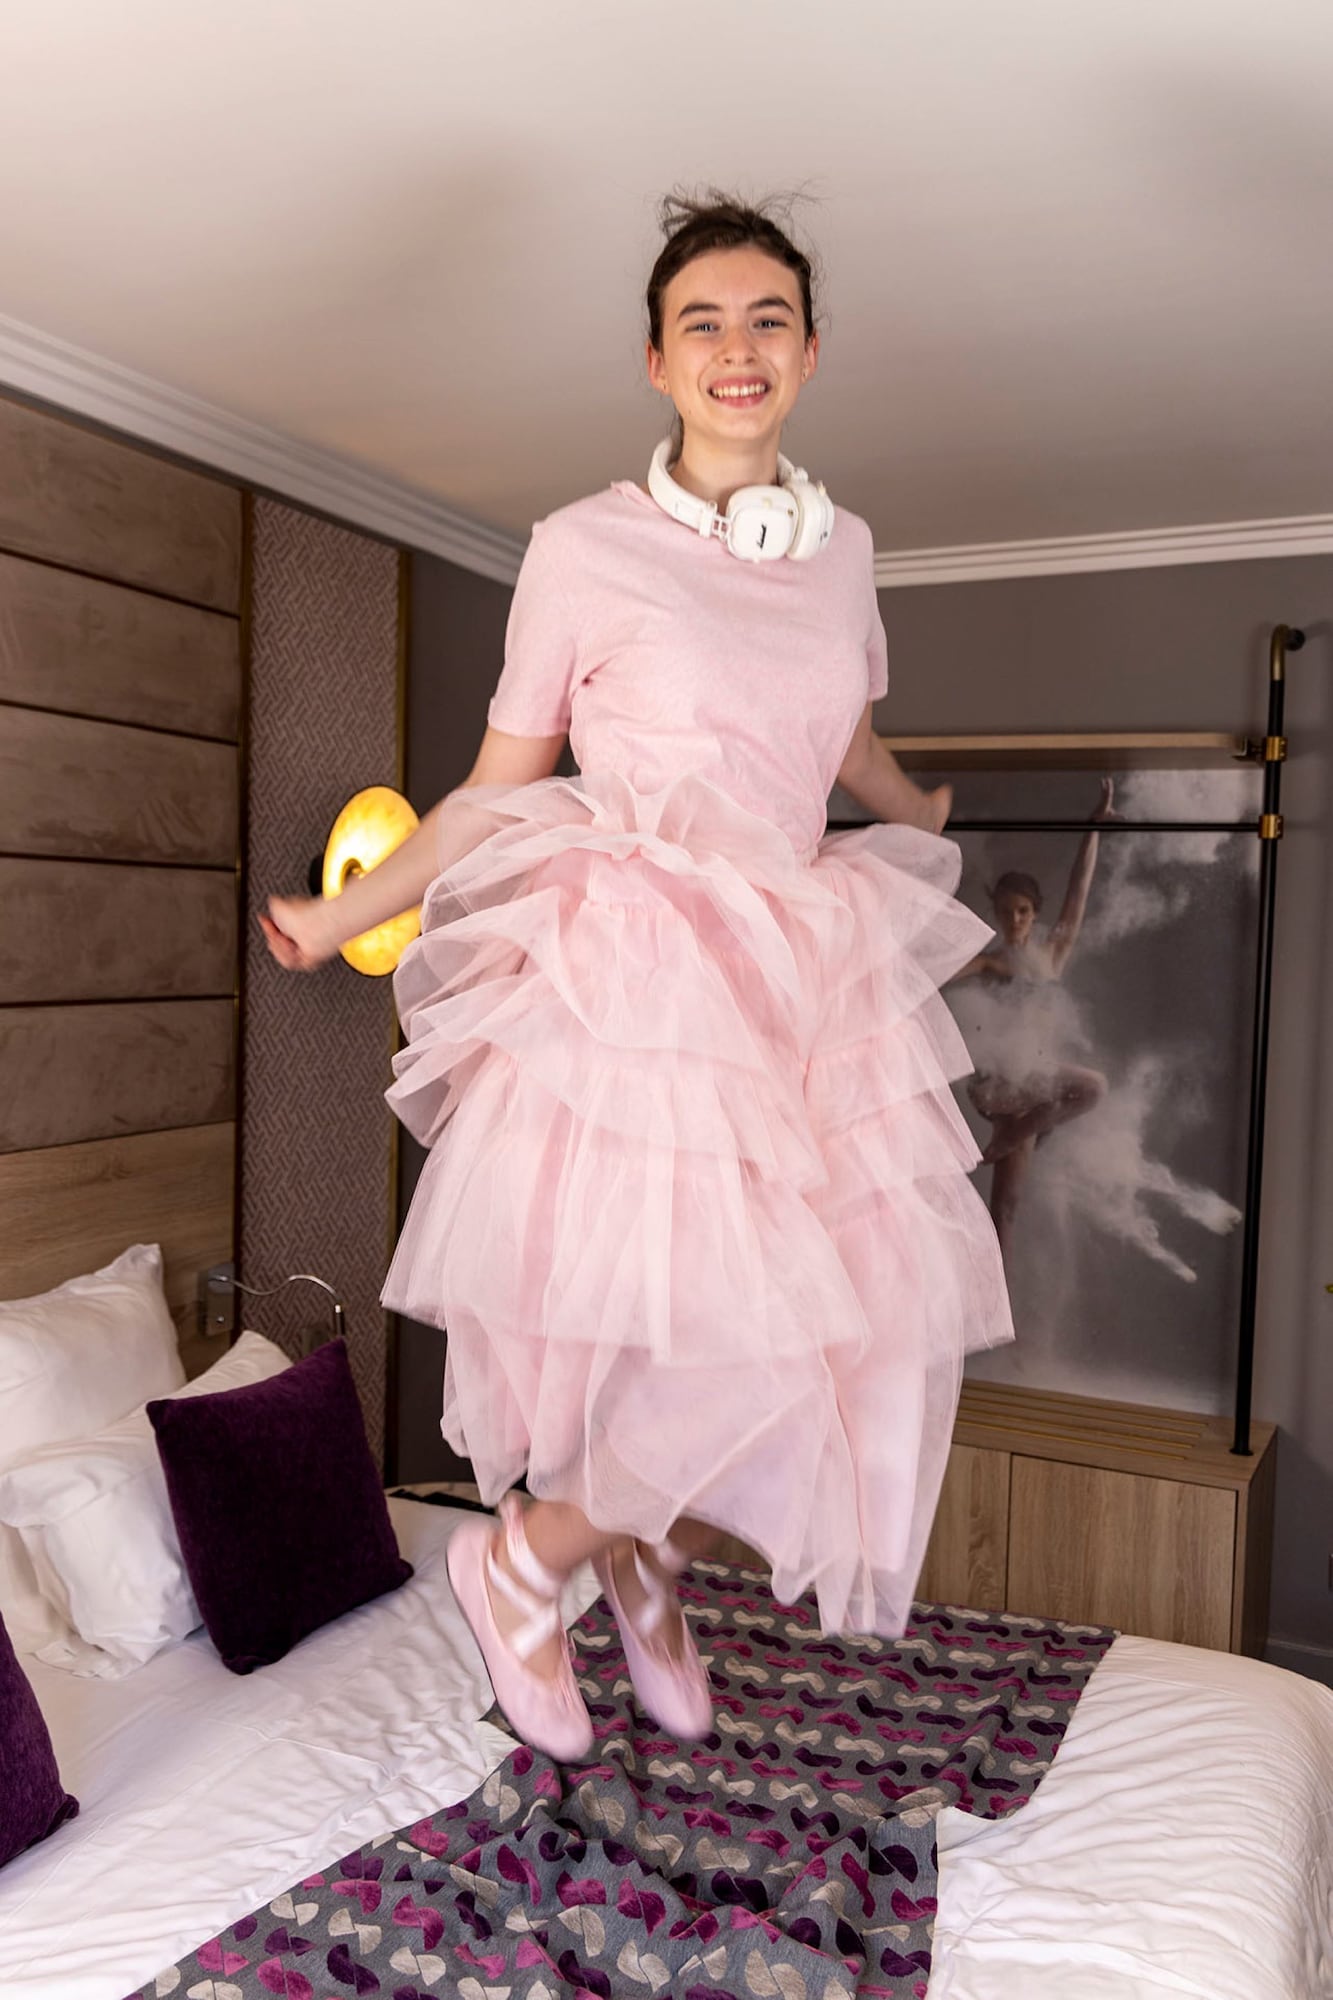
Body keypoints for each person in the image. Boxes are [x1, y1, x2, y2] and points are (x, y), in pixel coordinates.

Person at [262, 194, 1012, 1762]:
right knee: (722, 1332)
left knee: (842, 1326)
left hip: (801, 972)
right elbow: (492, 790)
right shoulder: (582, 550)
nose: (738, 348)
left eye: (766, 321)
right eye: (702, 323)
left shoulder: (844, 552)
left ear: (810, 353)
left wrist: (914, 805)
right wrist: (342, 921)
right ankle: (526, 1559)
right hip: (646, 967)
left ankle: (634, 1548)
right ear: (657, 362)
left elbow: (843, 731)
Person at [954, 778, 1118, 1261]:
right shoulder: (990, 962)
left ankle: (992, 1294)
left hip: (1032, 1096)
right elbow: (933, 972)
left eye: (1023, 911)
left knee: (1006, 1206)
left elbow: (1079, 889)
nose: (1015, 920)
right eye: (1006, 912)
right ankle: (1012, 1132)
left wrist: (1093, 829)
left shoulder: (1052, 954)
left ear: (1035, 912)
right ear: (996, 914)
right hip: (999, 1087)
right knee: (1093, 1087)